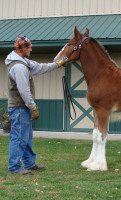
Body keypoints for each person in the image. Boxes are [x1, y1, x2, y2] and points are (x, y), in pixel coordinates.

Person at [5, 35, 66, 175]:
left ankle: (29, 164)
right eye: (28, 46)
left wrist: (57, 64)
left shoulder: (24, 62)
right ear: (20, 49)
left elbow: (40, 67)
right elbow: (24, 90)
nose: (31, 48)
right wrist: (33, 106)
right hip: (20, 108)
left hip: (22, 108)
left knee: (26, 138)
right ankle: (14, 168)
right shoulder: (19, 67)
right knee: (19, 137)